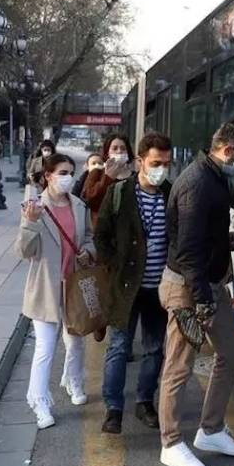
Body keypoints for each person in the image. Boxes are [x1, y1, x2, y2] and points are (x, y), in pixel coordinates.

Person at [157, 120, 234, 466]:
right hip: (189, 289)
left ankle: (210, 430)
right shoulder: (198, 183)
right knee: (179, 367)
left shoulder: (213, 177)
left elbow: (203, 237)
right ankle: (170, 443)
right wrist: (201, 301)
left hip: (209, 285)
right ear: (228, 151)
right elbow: (187, 251)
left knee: (229, 354)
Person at [95, 132, 173, 434]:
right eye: (156, 162)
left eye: (166, 163)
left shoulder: (171, 193)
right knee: (118, 346)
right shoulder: (119, 194)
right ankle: (113, 408)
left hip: (159, 288)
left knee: (154, 349)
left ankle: (144, 402)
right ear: (140, 160)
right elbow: (101, 236)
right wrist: (116, 265)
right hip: (125, 287)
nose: (161, 169)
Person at [15, 153, 96, 429]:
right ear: (48, 176)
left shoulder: (78, 205)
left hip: (73, 284)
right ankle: (39, 401)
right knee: (45, 347)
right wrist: (29, 222)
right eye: (62, 172)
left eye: (70, 172)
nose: (67, 177)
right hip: (46, 288)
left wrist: (88, 252)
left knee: (75, 340)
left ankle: (73, 380)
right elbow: (24, 252)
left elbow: (88, 238)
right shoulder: (35, 207)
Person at [79, 133, 135, 229]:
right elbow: (88, 200)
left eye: (123, 148)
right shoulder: (97, 173)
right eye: (115, 148)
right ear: (107, 152)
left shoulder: (135, 177)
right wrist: (108, 178)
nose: (119, 151)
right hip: (103, 230)